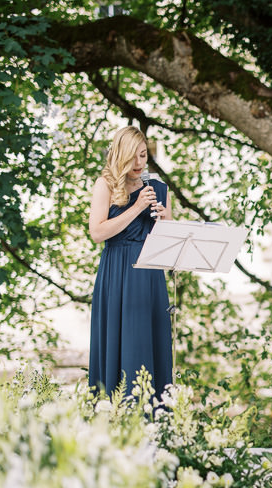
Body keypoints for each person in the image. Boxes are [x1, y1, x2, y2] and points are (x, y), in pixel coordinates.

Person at [88, 126, 173, 400]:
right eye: (134, 157)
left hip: (150, 275)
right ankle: (116, 413)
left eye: (143, 155)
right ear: (121, 156)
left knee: (151, 342)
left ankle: (157, 419)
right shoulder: (106, 184)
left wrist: (163, 221)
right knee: (121, 342)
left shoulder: (158, 188)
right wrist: (136, 209)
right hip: (118, 273)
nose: (139, 164)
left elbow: (171, 239)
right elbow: (97, 232)